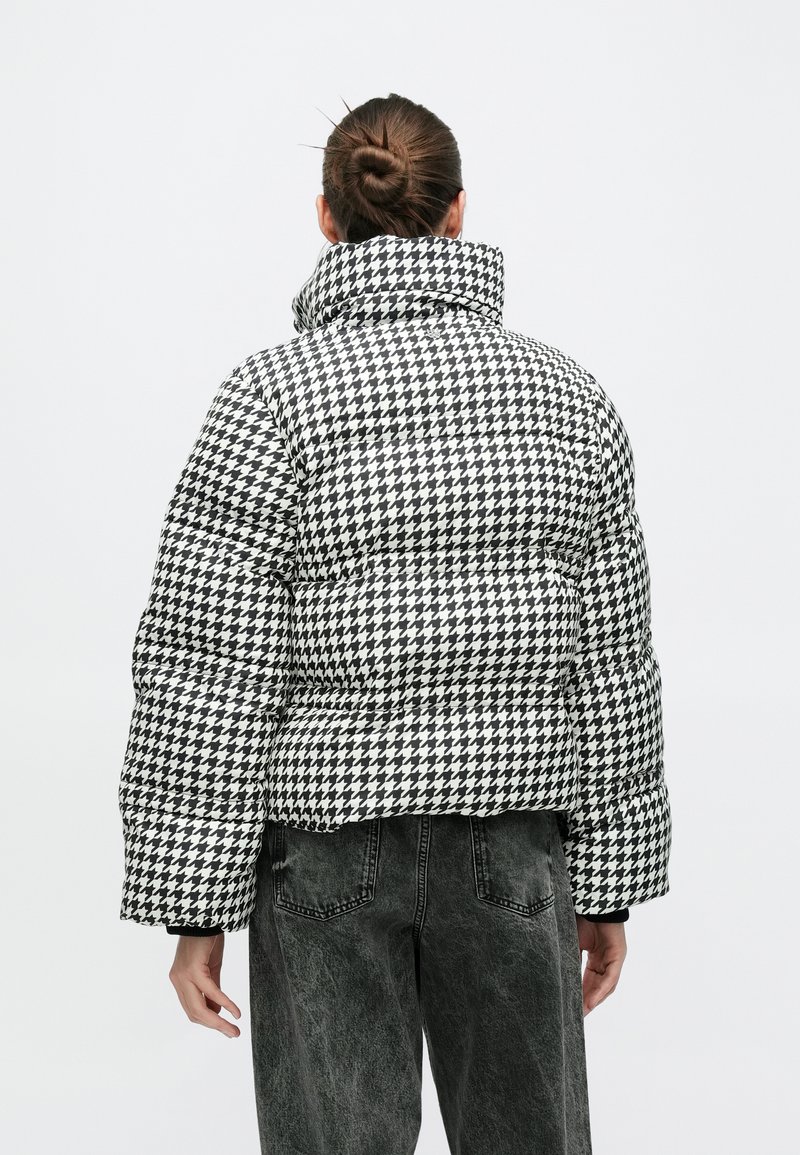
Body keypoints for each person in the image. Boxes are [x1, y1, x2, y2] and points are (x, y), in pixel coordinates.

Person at [118, 92, 672, 1155]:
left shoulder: (268, 401)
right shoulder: (567, 398)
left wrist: (195, 911)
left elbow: (206, 667)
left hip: (326, 850)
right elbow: (611, 667)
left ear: (327, 218)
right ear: (458, 212)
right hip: (512, 842)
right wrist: (609, 888)